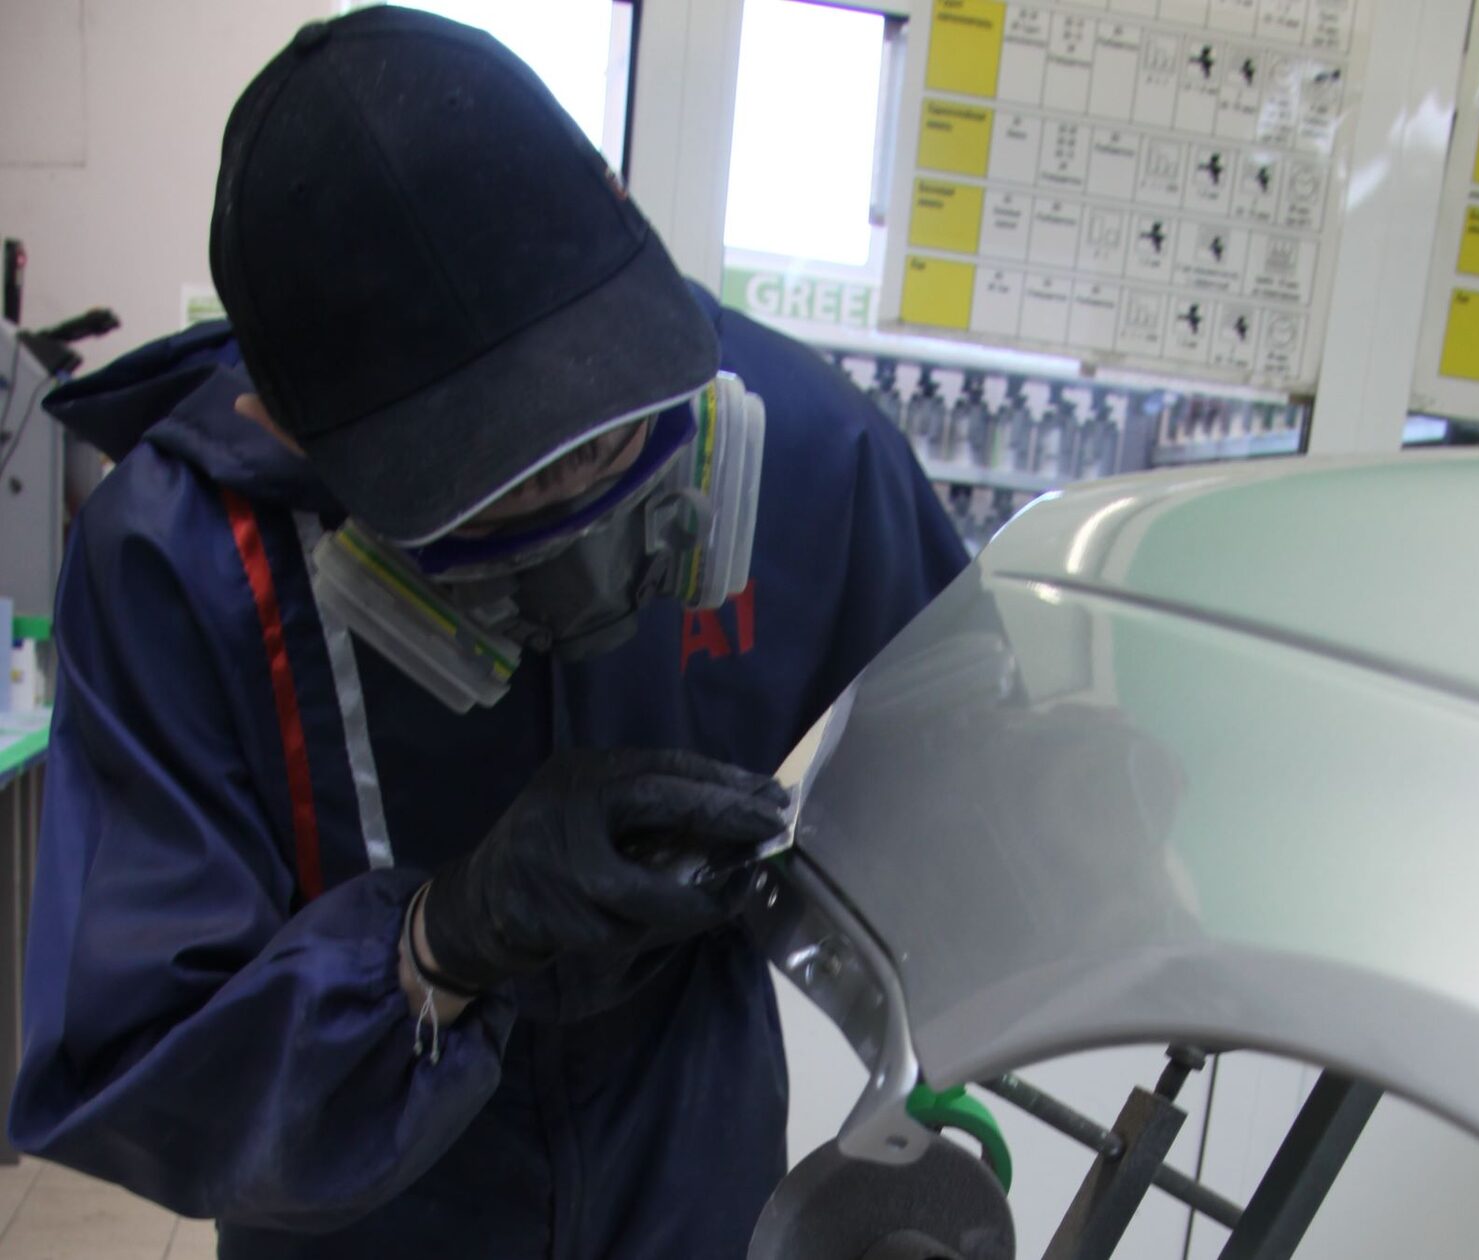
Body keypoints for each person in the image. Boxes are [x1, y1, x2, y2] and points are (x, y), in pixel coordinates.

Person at [8, 9, 967, 1259]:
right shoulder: (177, 565)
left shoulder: (808, 451)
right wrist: (440, 941)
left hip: (689, 1170)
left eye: (610, 450)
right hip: (369, 1216)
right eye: (497, 508)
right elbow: (143, 1071)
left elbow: (980, 782)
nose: (580, 585)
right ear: (284, 426)